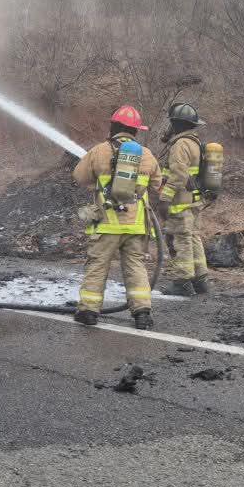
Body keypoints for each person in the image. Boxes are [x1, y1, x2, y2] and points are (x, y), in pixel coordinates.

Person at [72, 105, 163, 329]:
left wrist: (99, 182)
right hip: (137, 224)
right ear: (135, 131)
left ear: (114, 126)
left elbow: (79, 177)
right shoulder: (147, 155)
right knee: (135, 266)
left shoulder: (100, 151)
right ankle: (142, 313)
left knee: (98, 265)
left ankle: (88, 311)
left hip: (107, 223)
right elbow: (157, 183)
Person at [156, 102, 211, 297]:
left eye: (172, 122)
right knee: (193, 237)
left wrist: (164, 198)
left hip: (181, 202)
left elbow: (178, 176)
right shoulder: (195, 143)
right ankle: (200, 279)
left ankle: (182, 281)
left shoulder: (180, 144)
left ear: (178, 124)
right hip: (194, 201)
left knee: (181, 239)